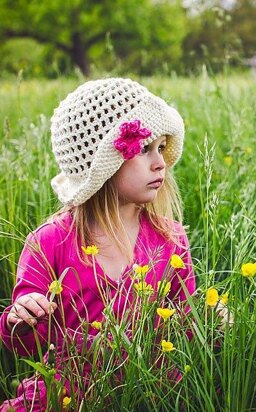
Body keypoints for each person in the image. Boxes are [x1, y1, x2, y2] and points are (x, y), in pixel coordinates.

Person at [0, 78, 197, 411]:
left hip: (154, 387)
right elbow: (27, 344)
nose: (160, 162)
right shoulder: (50, 241)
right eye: (144, 149)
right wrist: (22, 316)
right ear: (100, 165)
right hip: (69, 391)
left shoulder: (170, 239)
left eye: (161, 148)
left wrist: (213, 323)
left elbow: (187, 327)